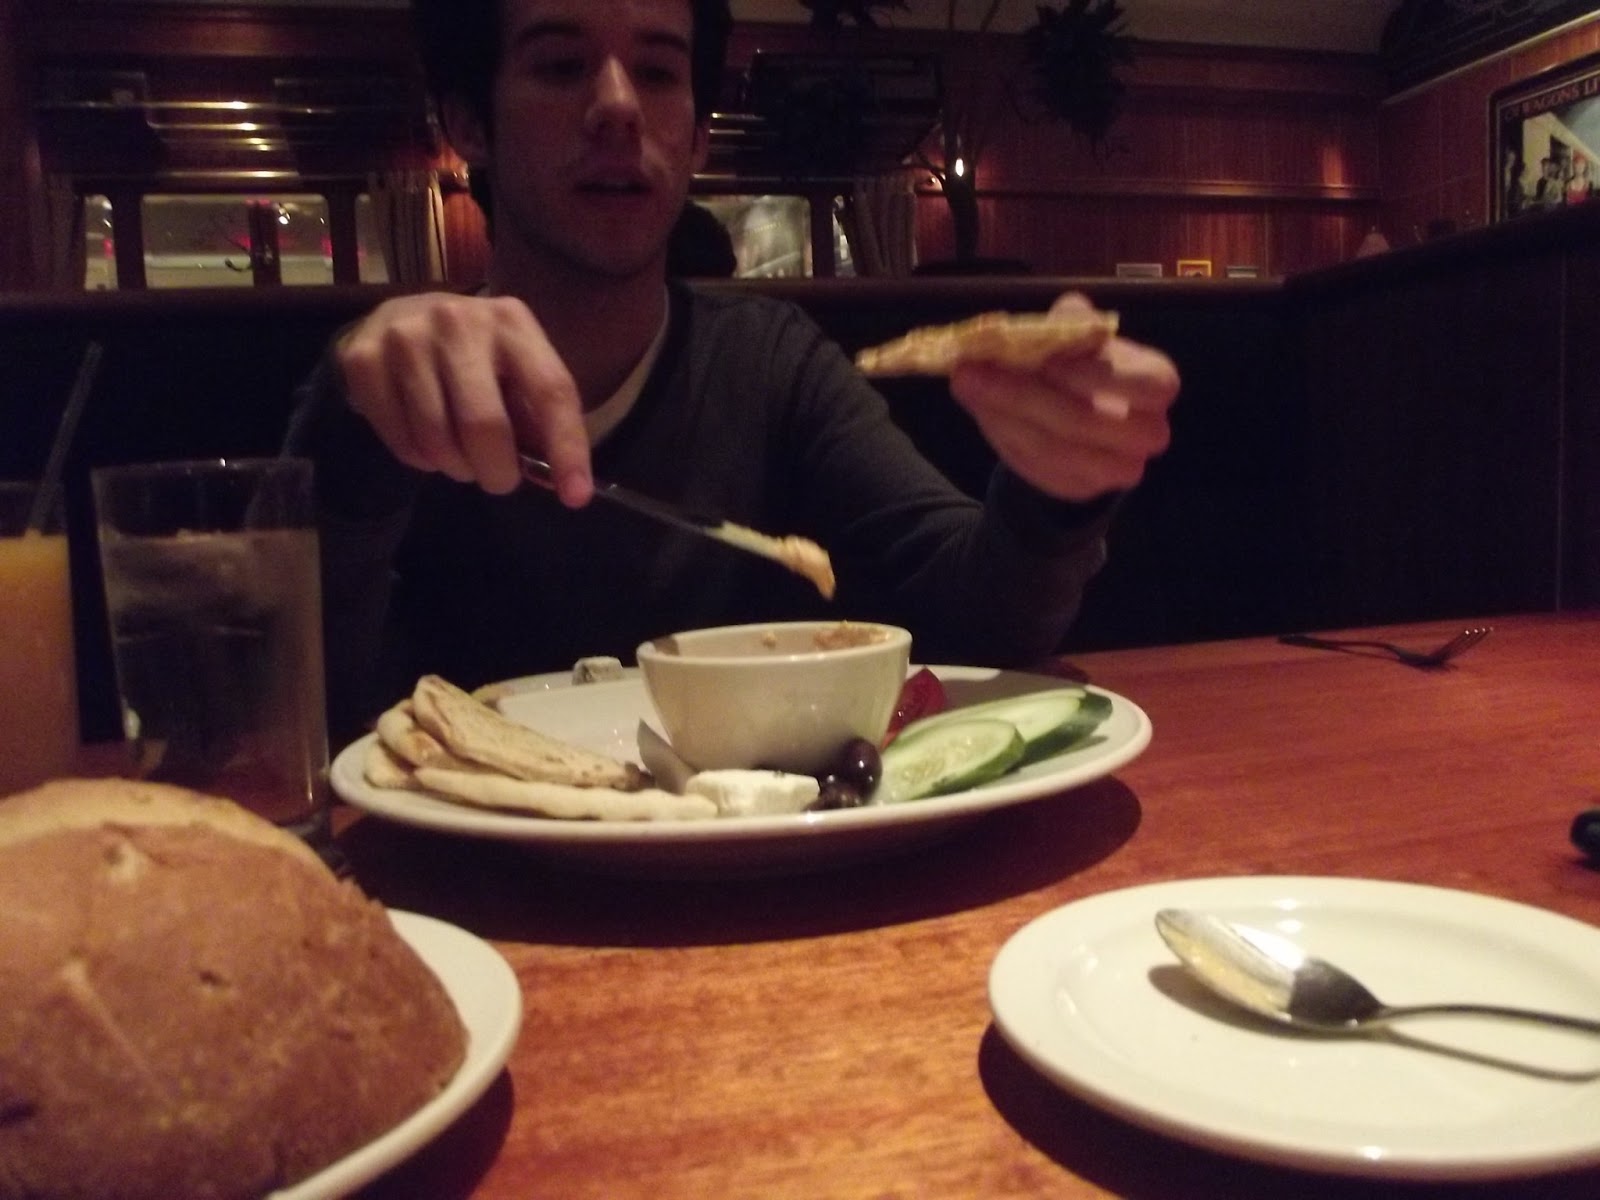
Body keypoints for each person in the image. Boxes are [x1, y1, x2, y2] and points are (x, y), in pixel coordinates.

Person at [286, 0, 1179, 740]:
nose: (618, 105)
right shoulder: (387, 392)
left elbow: (980, 622)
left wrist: (1055, 490)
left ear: (699, 137)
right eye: (561, 66)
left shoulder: (769, 366)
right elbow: (289, 704)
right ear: (467, 122)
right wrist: (357, 437)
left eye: (658, 71)